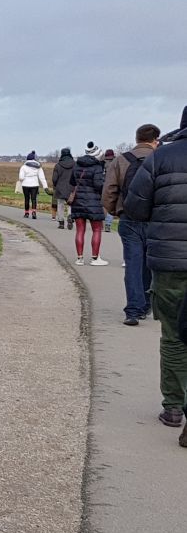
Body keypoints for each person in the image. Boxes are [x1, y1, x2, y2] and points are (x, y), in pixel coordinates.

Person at [122, 126, 187, 444]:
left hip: (171, 262)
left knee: (174, 336)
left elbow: (135, 209)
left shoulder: (161, 157)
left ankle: (174, 407)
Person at [106, 124, 162, 325]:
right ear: (155, 139)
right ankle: (147, 303)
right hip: (154, 220)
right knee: (151, 264)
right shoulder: (160, 159)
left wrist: (115, 211)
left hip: (129, 219)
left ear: (137, 138)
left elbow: (109, 189)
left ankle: (133, 309)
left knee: (133, 264)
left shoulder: (121, 160)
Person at [68, 148, 108, 265]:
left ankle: (79, 258)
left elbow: (72, 182)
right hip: (94, 202)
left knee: (80, 230)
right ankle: (95, 258)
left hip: (78, 202)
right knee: (96, 230)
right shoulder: (97, 167)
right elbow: (98, 185)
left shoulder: (76, 165)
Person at [16, 151, 48, 218]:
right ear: (34, 159)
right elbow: (42, 178)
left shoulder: (23, 167)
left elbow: (21, 177)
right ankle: (34, 212)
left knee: (27, 199)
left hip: (25, 185)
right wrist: (45, 187)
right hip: (35, 184)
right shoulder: (38, 167)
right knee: (34, 199)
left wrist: (22, 179)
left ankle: (26, 213)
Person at [51, 148, 75, 228]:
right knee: (71, 204)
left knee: (60, 205)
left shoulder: (58, 165)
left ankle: (61, 222)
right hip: (71, 187)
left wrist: (55, 185)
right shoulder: (75, 164)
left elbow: (54, 178)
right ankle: (70, 216)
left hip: (60, 187)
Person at [101, 149, 118, 232]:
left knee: (104, 205)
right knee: (111, 205)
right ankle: (108, 224)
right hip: (114, 185)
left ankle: (103, 222)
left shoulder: (102, 163)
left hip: (103, 185)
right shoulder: (116, 163)